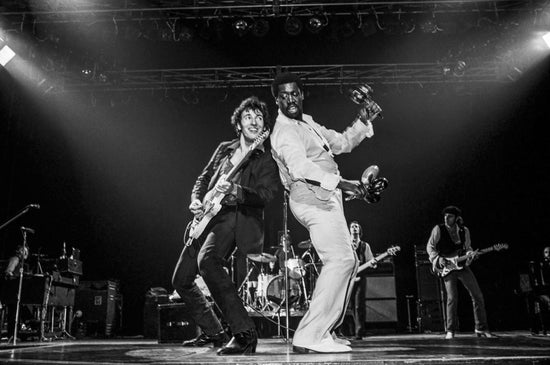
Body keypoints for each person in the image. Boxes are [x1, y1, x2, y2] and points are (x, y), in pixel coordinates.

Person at [269, 72, 381, 353]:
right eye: (284, 95)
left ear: (302, 94)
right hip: (311, 198)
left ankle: (324, 330)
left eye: (294, 93)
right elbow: (301, 168)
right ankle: (309, 334)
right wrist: (343, 183)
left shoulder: (306, 122)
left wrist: (363, 121)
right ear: (277, 100)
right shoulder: (284, 131)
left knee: (349, 262)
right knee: (341, 259)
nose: (290, 99)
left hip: (327, 197)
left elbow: (341, 143)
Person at [171, 96, 280, 355]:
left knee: (208, 262)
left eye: (259, 117)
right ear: (239, 124)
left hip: (235, 217)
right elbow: (204, 176)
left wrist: (237, 190)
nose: (254, 121)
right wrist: (196, 199)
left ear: (264, 126)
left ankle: (245, 333)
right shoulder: (224, 148)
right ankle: (215, 333)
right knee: (181, 279)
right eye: (248, 117)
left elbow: (266, 195)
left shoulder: (264, 157)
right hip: (207, 216)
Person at [426, 205, 493, 339]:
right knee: (452, 298)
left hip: (462, 266)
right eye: (445, 215)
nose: (446, 218)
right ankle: (450, 330)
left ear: (456, 218)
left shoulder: (464, 230)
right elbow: (430, 246)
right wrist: (438, 259)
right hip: (447, 267)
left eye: (450, 216)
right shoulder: (438, 229)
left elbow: (467, 248)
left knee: (477, 295)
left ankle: (481, 328)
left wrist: (470, 254)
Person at [348, 221, 375, 339]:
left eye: (356, 226)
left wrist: (373, 263)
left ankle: (359, 332)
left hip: (360, 278)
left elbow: (370, 260)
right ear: (349, 230)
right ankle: (350, 331)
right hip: (348, 278)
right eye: (352, 227)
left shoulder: (365, 246)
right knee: (350, 305)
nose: (354, 228)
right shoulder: (346, 244)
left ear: (359, 230)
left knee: (359, 305)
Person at [527, 246, 550, 335]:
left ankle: (545, 328)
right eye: (546, 252)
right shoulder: (540, 265)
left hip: (547, 291)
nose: (548, 254)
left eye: (549, 252)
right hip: (543, 291)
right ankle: (535, 328)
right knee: (532, 299)